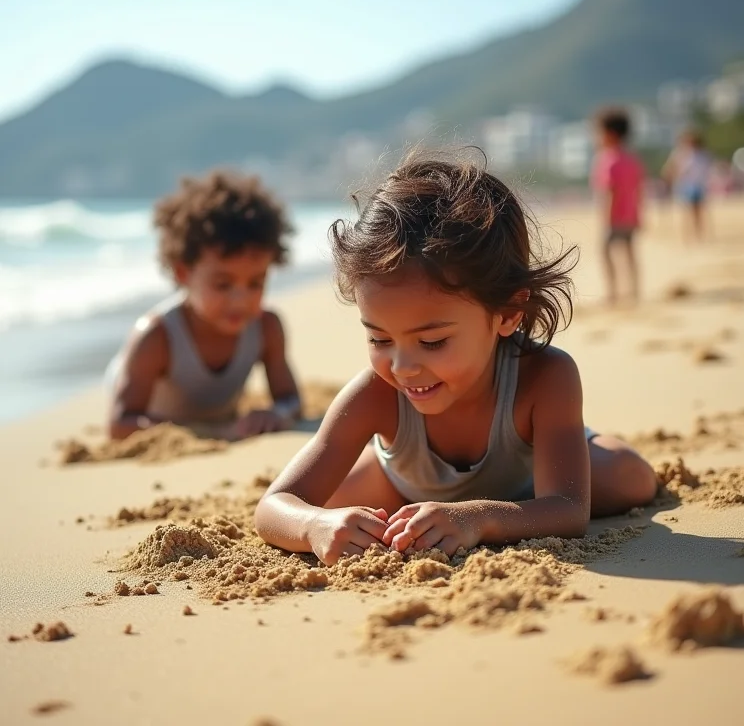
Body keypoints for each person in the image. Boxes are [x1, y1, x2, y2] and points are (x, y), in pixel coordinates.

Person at [254, 151, 657, 566]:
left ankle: (576, 442)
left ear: (507, 313)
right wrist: (315, 525)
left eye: (431, 342)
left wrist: (480, 517)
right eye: (379, 339)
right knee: (334, 508)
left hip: (529, 485)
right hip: (405, 486)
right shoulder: (375, 395)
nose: (402, 367)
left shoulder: (545, 376)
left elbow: (570, 510)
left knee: (632, 478)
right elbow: (275, 505)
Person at [107, 171, 301, 441]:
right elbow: (119, 424)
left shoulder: (266, 327)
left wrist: (277, 413)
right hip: (138, 388)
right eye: (223, 285)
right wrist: (214, 432)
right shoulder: (156, 338)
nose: (241, 300)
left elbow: (291, 399)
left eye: (256, 283)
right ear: (183, 273)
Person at [591, 108, 645, 306]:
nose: (595, 137)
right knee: (630, 252)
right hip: (630, 215)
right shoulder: (632, 159)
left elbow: (609, 191)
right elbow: (639, 190)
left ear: (610, 134)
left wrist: (606, 217)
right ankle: (634, 290)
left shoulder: (607, 160)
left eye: (597, 132)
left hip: (614, 217)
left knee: (605, 252)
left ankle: (612, 292)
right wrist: (639, 214)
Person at [663, 130, 712, 241]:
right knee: (688, 211)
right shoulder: (680, 153)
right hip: (686, 185)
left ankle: (699, 233)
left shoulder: (702, 154)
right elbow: (669, 168)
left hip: (698, 185)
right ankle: (688, 235)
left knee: (698, 211)